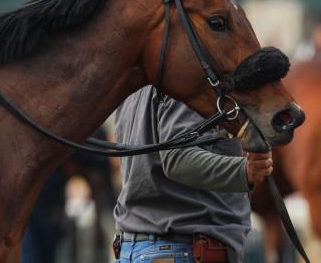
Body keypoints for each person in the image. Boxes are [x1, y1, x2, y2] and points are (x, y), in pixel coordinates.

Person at [113, 86, 274, 263]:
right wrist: (245, 171)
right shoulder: (183, 81)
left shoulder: (133, 87)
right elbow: (178, 158)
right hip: (183, 248)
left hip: (134, 246)